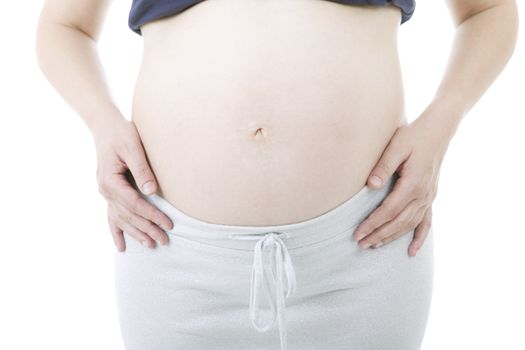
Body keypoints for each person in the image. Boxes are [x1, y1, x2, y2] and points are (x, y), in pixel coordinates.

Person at [35, 0, 518, 349]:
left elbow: (489, 10)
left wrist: (442, 124)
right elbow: (64, 25)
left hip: (363, 248)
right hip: (176, 253)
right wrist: (102, 125)